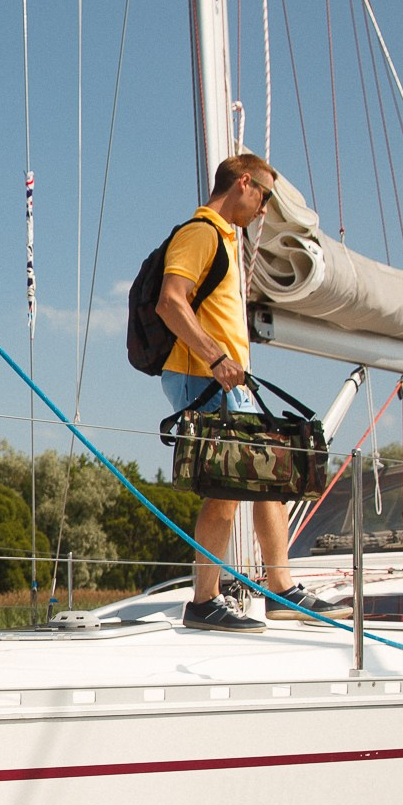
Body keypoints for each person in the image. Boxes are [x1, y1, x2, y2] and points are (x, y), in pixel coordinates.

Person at [153, 154, 349, 632]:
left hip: (219, 377)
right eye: (263, 195)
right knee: (228, 484)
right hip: (202, 377)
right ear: (243, 184)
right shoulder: (200, 232)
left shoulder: (224, 238)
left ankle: (280, 588)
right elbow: (169, 301)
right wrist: (216, 357)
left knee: (270, 473)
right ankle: (204, 601)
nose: (263, 209)